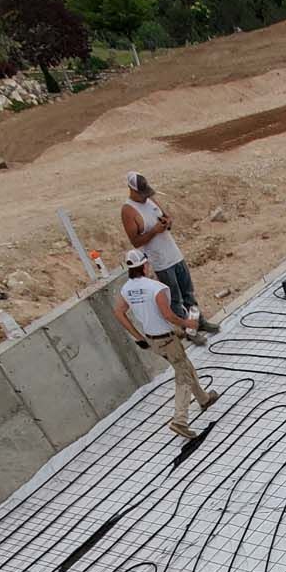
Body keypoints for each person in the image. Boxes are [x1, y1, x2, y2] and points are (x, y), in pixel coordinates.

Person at [113, 248, 220, 441]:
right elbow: (168, 315)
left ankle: (204, 399)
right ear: (145, 265)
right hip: (167, 338)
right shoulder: (156, 288)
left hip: (153, 339)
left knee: (184, 367)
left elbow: (119, 312)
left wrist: (138, 337)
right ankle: (180, 420)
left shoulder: (126, 289)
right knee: (184, 376)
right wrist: (189, 323)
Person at [120, 171, 220, 336]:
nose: (145, 197)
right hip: (161, 262)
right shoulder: (128, 211)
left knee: (188, 293)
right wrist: (154, 231)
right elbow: (135, 242)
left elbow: (167, 217)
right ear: (132, 190)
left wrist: (168, 222)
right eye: (142, 194)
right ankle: (189, 331)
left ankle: (199, 322)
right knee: (175, 299)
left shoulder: (150, 199)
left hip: (175, 254)